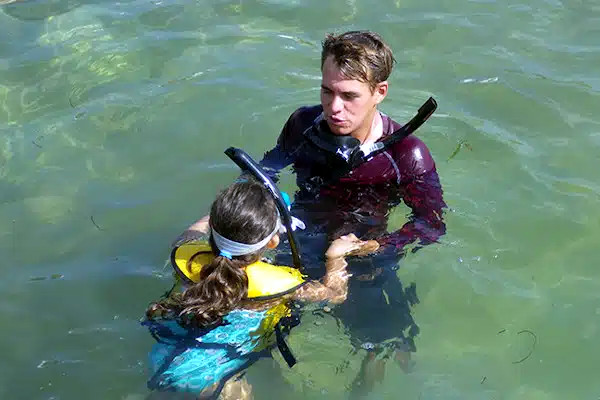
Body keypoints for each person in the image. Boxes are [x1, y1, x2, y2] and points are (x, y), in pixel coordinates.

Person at [259, 30, 447, 396]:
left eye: (349, 96)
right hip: (299, 235)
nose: (334, 108)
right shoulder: (303, 125)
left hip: (363, 255)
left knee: (379, 340)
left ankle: (373, 367)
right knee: (260, 327)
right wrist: (247, 204)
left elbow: (431, 225)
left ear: (380, 92)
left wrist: (371, 248)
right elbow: (270, 166)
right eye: (327, 91)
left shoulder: (408, 155)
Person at [143, 178, 379, 399]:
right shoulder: (283, 285)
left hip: (162, 357)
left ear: (213, 225)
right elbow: (335, 295)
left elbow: (191, 233)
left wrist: (229, 216)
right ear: (274, 242)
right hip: (216, 379)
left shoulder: (186, 253)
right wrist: (335, 256)